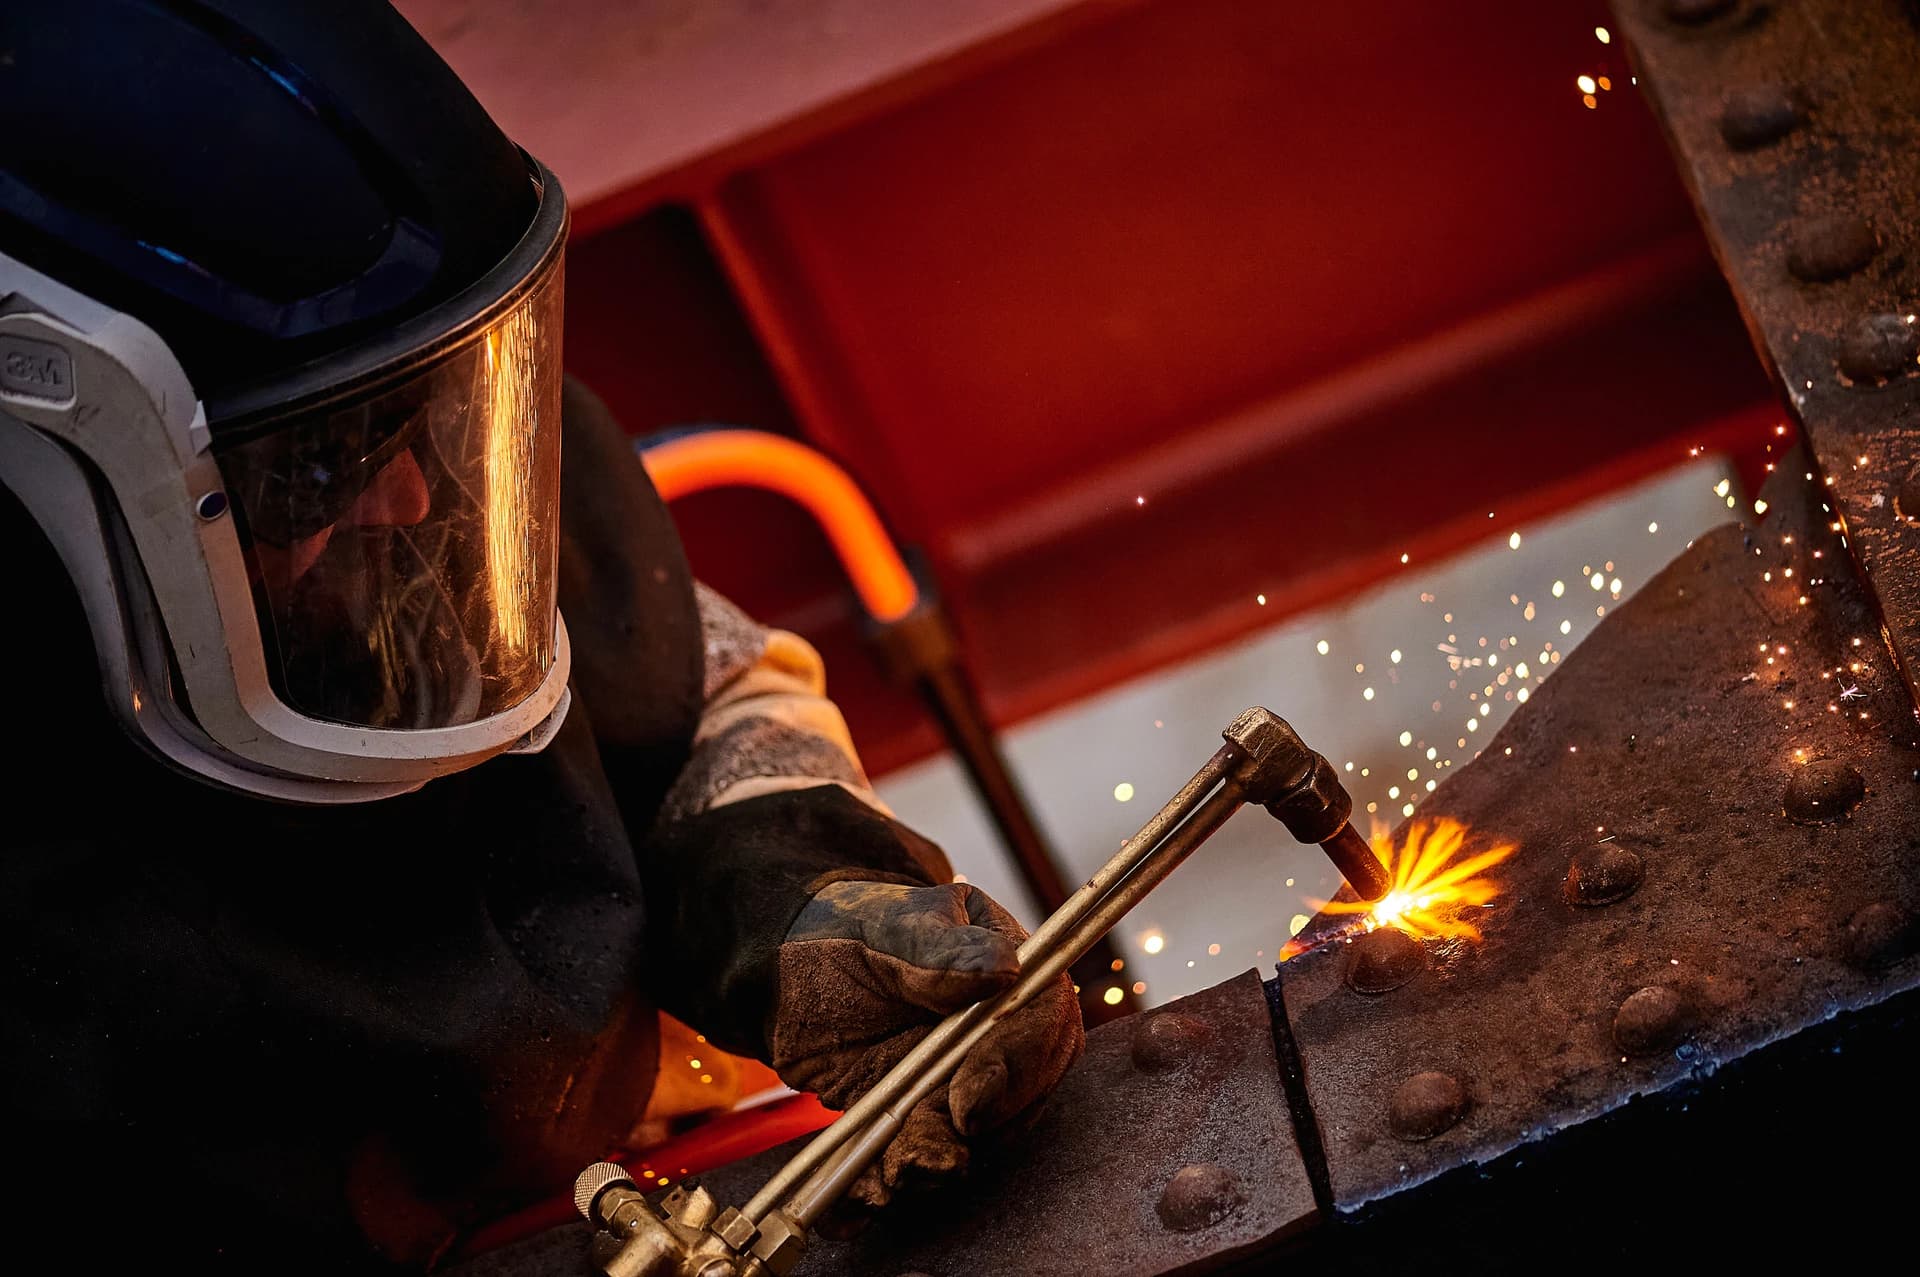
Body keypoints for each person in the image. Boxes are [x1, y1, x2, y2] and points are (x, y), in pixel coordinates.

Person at [0, 1, 1083, 1270]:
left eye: (409, 416)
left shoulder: (384, 433)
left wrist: (797, 896)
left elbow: (701, 685)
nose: (406, 498)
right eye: (311, 465)